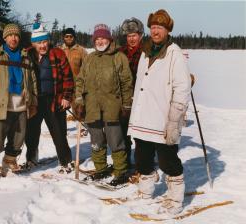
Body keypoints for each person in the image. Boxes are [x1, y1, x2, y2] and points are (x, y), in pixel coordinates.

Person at [128, 9, 191, 215]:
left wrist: (175, 120)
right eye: (153, 27)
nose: (155, 31)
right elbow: (140, 84)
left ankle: (175, 199)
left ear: (167, 30)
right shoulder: (145, 51)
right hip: (143, 116)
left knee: (168, 161)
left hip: (163, 118)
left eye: (160, 27)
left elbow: (182, 88)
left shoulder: (175, 53)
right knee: (142, 158)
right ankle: (146, 191)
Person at [74, 24, 133, 186]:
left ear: (109, 39)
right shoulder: (89, 58)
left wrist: (126, 105)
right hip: (92, 107)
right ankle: (101, 169)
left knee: (116, 140)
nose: (100, 41)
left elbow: (126, 82)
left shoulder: (118, 57)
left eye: (103, 38)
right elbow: (80, 81)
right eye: (97, 38)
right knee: (96, 139)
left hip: (112, 107)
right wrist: (79, 101)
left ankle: (121, 171)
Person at [0, 23, 37, 187]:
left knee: (18, 138)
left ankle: (8, 165)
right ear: (5, 37)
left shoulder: (25, 56)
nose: (14, 38)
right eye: (10, 35)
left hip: (20, 101)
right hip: (1, 103)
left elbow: (32, 82)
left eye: (16, 36)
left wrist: (33, 103)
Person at [23, 23, 74, 174]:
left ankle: (65, 161)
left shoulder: (57, 53)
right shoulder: (27, 55)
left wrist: (66, 97)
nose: (42, 45)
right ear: (33, 43)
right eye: (39, 43)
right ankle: (31, 159)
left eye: (44, 42)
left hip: (54, 100)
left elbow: (68, 77)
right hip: (35, 101)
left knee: (59, 132)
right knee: (31, 133)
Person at [118, 17, 144, 169]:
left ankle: (143, 164)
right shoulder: (120, 52)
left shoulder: (146, 52)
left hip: (141, 99)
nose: (131, 39)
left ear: (140, 35)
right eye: (129, 36)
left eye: (134, 35)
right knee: (123, 132)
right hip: (124, 99)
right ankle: (125, 162)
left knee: (141, 135)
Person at [60, 27, 88, 134]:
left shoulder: (81, 50)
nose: (69, 38)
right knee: (62, 107)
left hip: (77, 84)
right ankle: (62, 128)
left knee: (79, 107)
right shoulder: (59, 50)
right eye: (66, 36)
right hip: (63, 85)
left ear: (74, 37)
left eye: (71, 36)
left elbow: (87, 67)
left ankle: (81, 127)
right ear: (63, 37)